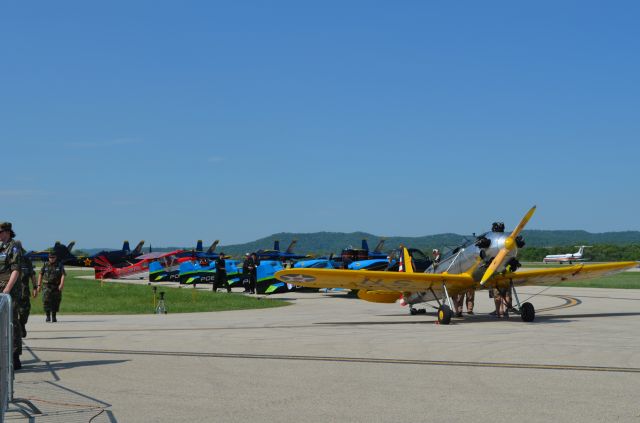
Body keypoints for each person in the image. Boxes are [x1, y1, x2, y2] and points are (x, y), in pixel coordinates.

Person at [0, 222, 24, 369]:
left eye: (0, 232)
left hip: (10, 291)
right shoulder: (1, 247)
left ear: (7, 232)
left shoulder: (14, 247)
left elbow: (15, 270)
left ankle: (15, 357)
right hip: (0, 289)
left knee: (12, 322)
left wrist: (7, 290)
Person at [37, 250, 65, 323]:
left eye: (53, 257)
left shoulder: (59, 265)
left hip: (56, 286)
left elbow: (63, 275)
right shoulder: (45, 265)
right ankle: (48, 316)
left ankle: (54, 316)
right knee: (46, 301)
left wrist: (61, 284)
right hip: (46, 286)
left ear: (56, 257)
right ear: (48, 258)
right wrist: (39, 285)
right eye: (50, 257)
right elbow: (40, 274)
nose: (51, 259)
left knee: (55, 301)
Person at [18, 249, 37, 337]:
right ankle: (15, 330)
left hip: (24, 291)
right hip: (10, 292)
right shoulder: (8, 259)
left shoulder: (26, 261)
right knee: (11, 312)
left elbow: (32, 275)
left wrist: (35, 287)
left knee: (25, 311)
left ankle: (22, 324)